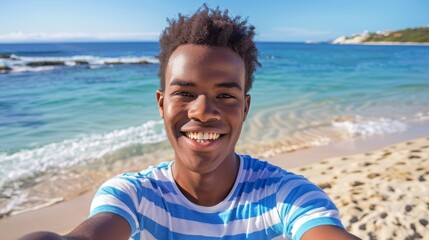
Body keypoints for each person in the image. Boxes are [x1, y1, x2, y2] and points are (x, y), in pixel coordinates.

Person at [22, 5, 360, 240]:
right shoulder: (132, 195)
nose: (202, 111)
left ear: (245, 108)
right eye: (185, 93)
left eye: (225, 96)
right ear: (161, 104)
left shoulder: (286, 195)